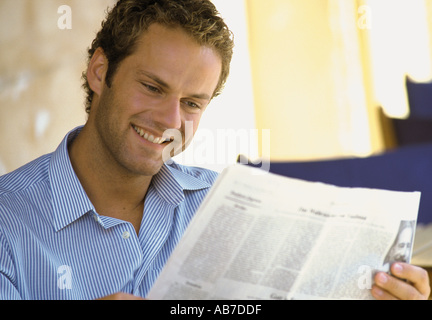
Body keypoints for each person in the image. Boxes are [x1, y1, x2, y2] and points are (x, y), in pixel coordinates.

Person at [0, 0, 429, 300]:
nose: (170, 120)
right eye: (152, 87)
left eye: (191, 103)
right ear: (99, 71)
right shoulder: (8, 221)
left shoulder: (227, 205)